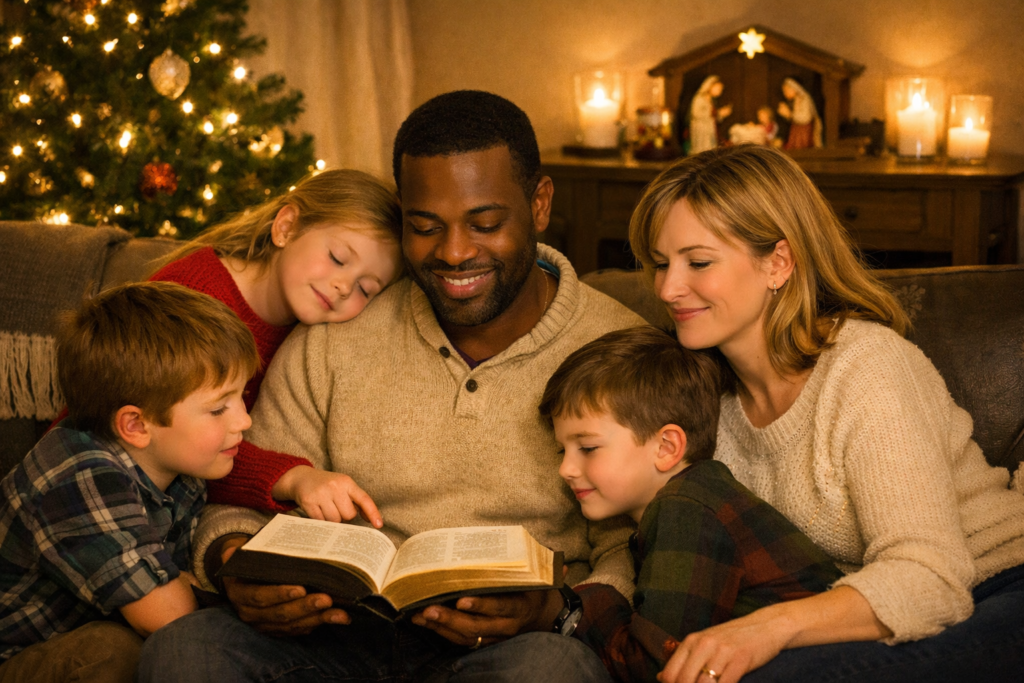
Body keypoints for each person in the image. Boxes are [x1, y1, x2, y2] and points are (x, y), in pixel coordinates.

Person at [137, 90, 648, 682]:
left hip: (510, 647)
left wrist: (555, 609)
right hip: (333, 637)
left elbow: (633, 542)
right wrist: (235, 567)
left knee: (552, 672)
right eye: (425, 228)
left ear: (538, 204)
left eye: (484, 223)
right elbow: (233, 502)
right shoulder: (337, 334)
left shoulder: (619, 348)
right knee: (187, 650)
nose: (454, 254)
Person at [627, 144, 1024, 683]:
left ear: (778, 262)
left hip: (996, 587)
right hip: (865, 612)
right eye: (660, 264)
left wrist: (766, 628)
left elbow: (932, 580)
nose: (668, 289)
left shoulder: (865, 366)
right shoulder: (705, 402)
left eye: (698, 262)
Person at [538, 326, 842, 682]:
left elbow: (656, 668)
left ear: (666, 447)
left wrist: (576, 603)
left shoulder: (684, 510)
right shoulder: (694, 497)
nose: (566, 469)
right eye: (563, 450)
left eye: (587, 448)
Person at [0, 282, 258, 682]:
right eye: (219, 408)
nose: (244, 421)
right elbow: (168, 615)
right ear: (136, 425)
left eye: (241, 397)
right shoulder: (81, 475)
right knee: (114, 652)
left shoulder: (179, 467)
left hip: (83, 629)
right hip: (17, 654)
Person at [150, 169, 403, 522]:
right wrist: (293, 477)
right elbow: (176, 445)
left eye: (366, 288)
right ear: (286, 227)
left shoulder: (310, 338)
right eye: (338, 258)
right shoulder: (196, 299)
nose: (344, 287)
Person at [687, 76, 732, 155]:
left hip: (709, 130)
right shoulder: (699, 98)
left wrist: (720, 114)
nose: (719, 92)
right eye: (718, 89)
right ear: (710, 86)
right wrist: (717, 113)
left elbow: (713, 117)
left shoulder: (710, 100)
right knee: (701, 151)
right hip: (701, 130)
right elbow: (696, 114)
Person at [776, 78, 822, 150]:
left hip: (805, 131)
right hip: (797, 130)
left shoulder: (804, 98)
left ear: (793, 88)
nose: (785, 94)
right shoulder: (795, 100)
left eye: (786, 91)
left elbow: (805, 118)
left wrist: (789, 114)